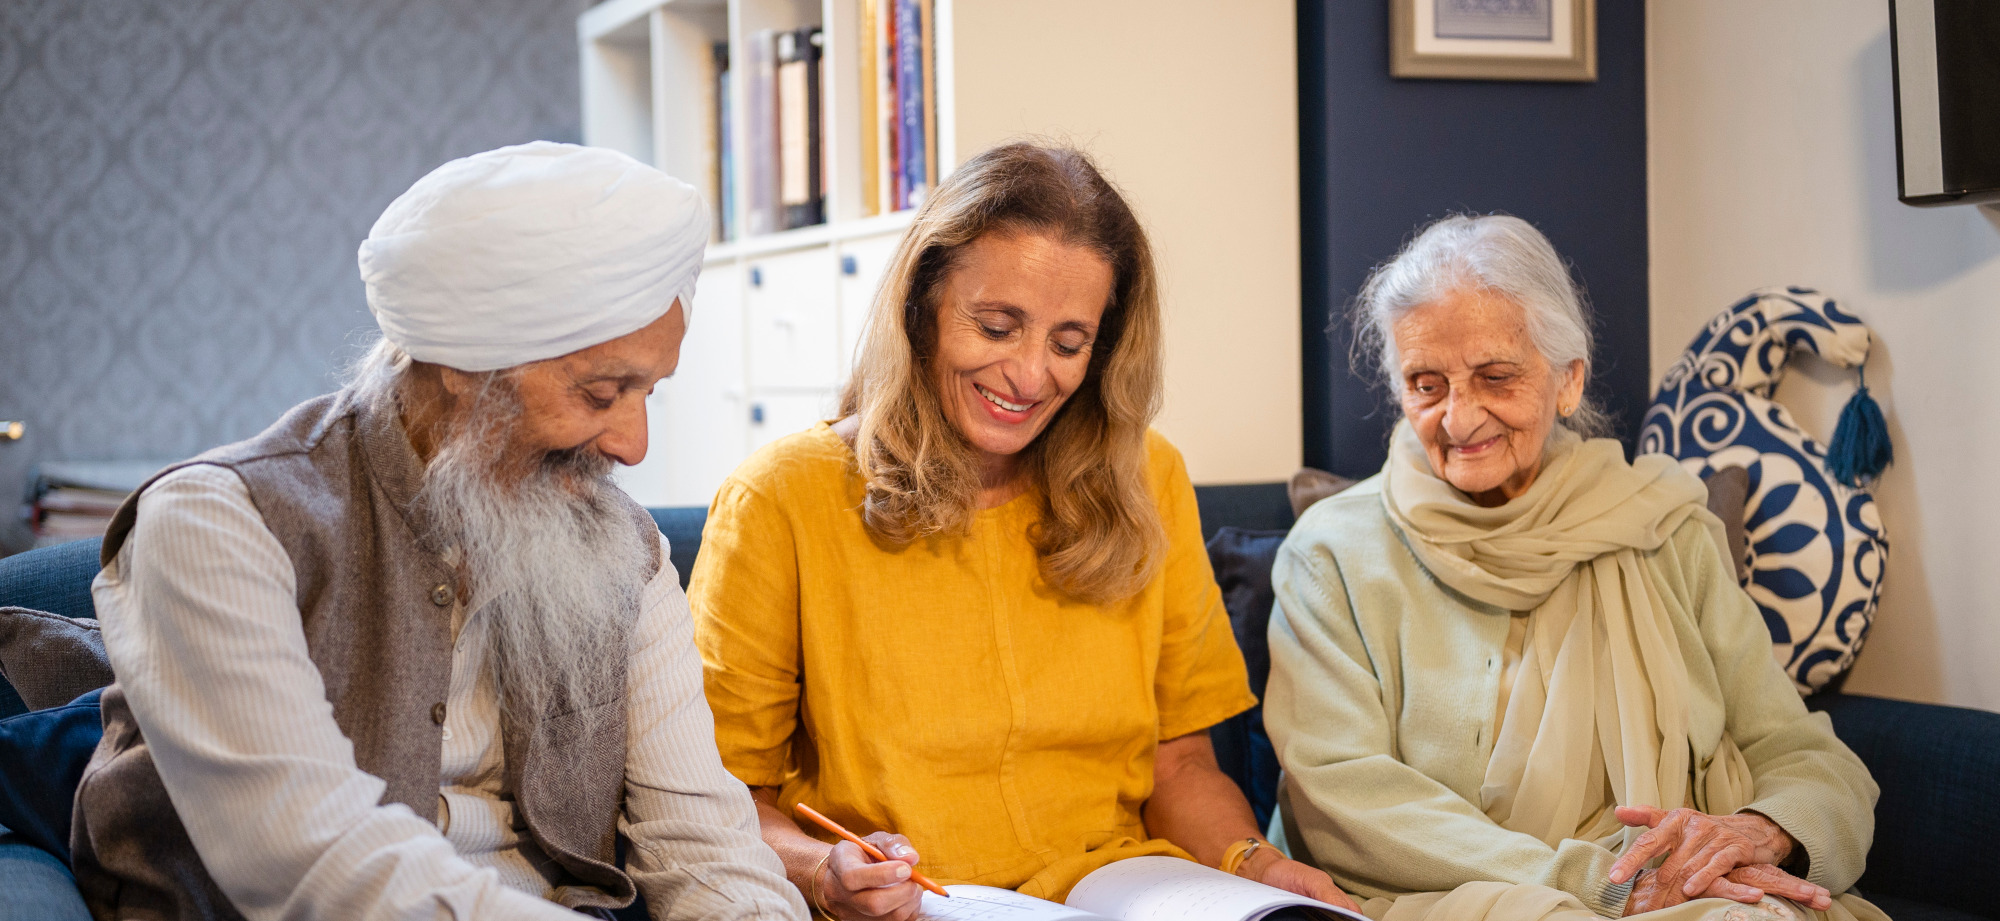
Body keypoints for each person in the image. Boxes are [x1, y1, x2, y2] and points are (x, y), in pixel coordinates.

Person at [70, 142, 806, 921]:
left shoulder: (624, 547)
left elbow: (706, 844)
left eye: (648, 392)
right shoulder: (214, 526)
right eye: (601, 392)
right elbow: (321, 870)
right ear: (462, 364)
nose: (634, 444)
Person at [689, 143, 1357, 921]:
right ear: (922, 306)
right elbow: (724, 798)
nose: (1032, 375)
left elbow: (1178, 766)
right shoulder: (780, 497)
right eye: (998, 326)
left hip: (1125, 882)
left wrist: (1257, 863)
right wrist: (821, 869)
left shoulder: (1148, 477)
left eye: (1069, 343)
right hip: (924, 896)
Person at [1262, 214, 1887, 921]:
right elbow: (1340, 796)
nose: (1460, 417)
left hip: (1683, 889)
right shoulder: (1332, 554)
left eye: (1495, 376)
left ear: (1568, 380)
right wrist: (1601, 879)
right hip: (1455, 898)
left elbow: (1798, 750)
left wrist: (1760, 832)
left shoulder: (1664, 525)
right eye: (1426, 384)